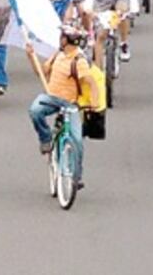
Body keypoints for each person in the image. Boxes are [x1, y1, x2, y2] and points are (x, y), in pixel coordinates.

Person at [27, 25, 100, 189]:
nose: (60, 39)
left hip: (70, 104)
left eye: (62, 37)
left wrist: (94, 102)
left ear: (68, 40)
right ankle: (45, 139)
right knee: (35, 110)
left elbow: (91, 82)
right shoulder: (57, 55)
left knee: (77, 140)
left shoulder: (78, 61)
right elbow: (41, 73)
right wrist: (31, 57)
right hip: (51, 98)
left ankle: (77, 176)